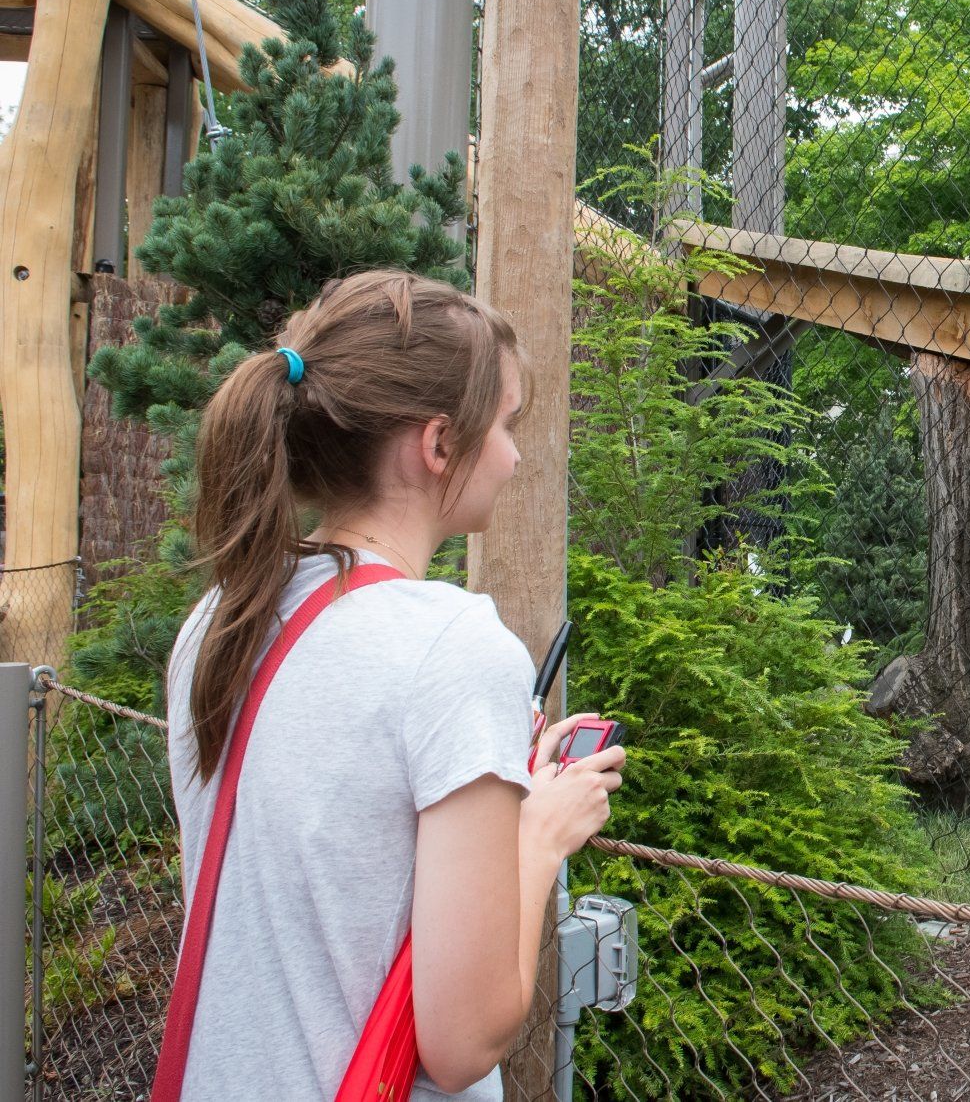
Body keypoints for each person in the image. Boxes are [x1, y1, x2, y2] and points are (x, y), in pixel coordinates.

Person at [162, 270, 624, 1099]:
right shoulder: (452, 646)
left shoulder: (220, 618)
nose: (516, 455)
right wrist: (535, 837)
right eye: (507, 424)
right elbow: (462, 1039)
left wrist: (482, 766)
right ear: (439, 444)